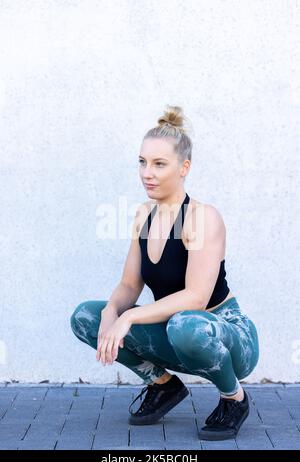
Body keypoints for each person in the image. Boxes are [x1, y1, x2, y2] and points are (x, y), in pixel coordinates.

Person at [70, 105, 259, 441]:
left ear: (184, 167)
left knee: (184, 323)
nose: (147, 173)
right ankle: (164, 386)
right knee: (87, 316)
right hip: (176, 332)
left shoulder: (203, 217)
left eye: (159, 164)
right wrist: (113, 312)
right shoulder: (144, 216)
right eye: (142, 162)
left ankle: (234, 398)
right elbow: (130, 284)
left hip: (226, 336)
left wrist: (130, 319)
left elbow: (196, 298)